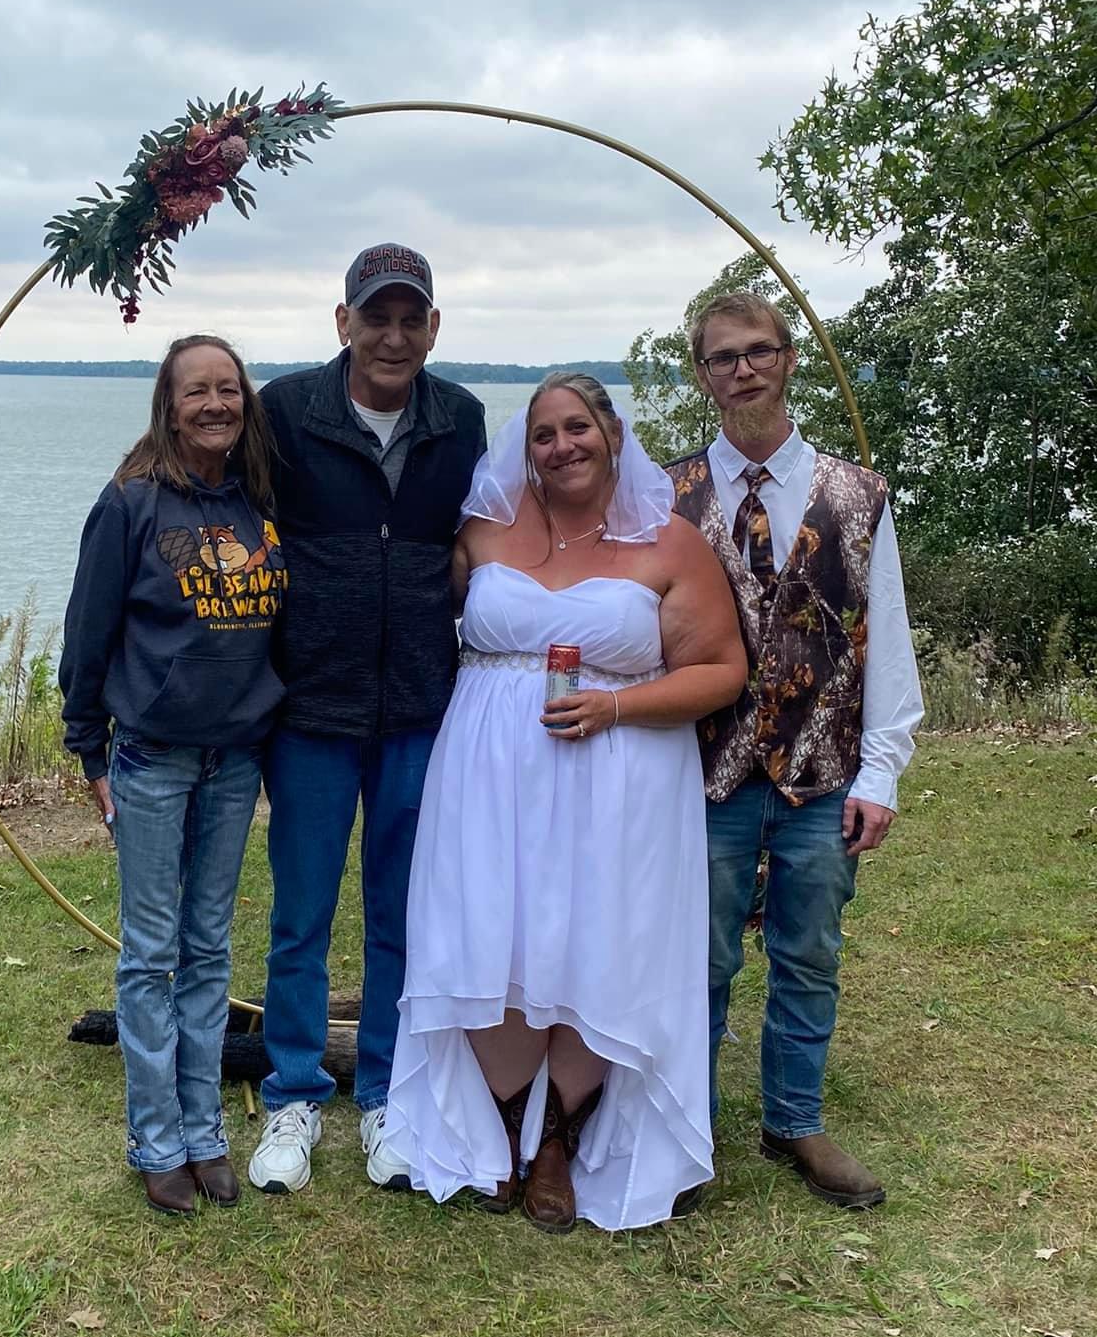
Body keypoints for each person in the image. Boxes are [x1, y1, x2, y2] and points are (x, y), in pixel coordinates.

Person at [384, 374, 748, 1232]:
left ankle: (558, 1139)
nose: (561, 447)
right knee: (492, 929)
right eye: (543, 434)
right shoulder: (484, 530)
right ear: (525, 446)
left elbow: (722, 670)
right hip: (487, 773)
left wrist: (615, 704)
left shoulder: (673, 542)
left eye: (577, 428)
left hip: (621, 777)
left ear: (612, 432)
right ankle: (502, 1124)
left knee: (598, 941)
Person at [668, 290, 924, 1210]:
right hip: (703, 774)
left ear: (787, 358)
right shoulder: (667, 493)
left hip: (824, 771)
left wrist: (883, 772)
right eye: (722, 356)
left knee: (809, 953)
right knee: (697, 960)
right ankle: (683, 1130)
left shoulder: (857, 492)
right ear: (701, 374)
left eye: (757, 351)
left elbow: (884, 637)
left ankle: (795, 1121)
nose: (741, 369)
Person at [246, 243, 487, 1194]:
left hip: (422, 707)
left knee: (403, 911)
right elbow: (229, 513)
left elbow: (494, 529)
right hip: (309, 705)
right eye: (374, 316)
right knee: (301, 912)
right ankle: (293, 1093)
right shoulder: (284, 411)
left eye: (410, 317)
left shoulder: (460, 419)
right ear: (342, 322)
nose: (393, 335)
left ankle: (386, 1091)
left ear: (433, 327)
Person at [58, 334, 287, 1218]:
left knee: (209, 948)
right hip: (153, 756)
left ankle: (205, 1132)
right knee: (150, 952)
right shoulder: (132, 503)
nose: (216, 404)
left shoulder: (257, 502)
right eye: (198, 391)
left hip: (238, 759)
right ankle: (156, 1140)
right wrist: (87, 746)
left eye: (229, 389)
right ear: (169, 401)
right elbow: (88, 629)